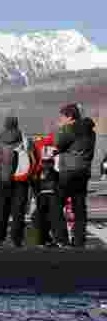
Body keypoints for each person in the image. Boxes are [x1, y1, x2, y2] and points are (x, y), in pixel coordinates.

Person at [55, 103, 97, 248]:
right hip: (83, 171)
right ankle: (79, 240)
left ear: (70, 117)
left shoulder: (69, 129)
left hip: (68, 172)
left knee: (56, 204)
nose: (61, 119)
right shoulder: (91, 131)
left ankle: (62, 239)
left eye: (62, 117)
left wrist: (61, 129)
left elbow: (58, 144)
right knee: (79, 207)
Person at [0, 116, 30, 248]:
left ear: (5, 125)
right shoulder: (24, 139)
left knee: (0, 210)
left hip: (3, 179)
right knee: (18, 211)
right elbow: (33, 155)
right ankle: (16, 239)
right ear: (16, 125)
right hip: (21, 179)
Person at [33, 149, 68, 247]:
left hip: (54, 198)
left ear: (52, 163)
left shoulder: (57, 175)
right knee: (38, 218)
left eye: (48, 162)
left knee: (56, 218)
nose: (46, 164)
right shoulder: (37, 175)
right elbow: (35, 188)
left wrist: (60, 200)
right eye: (44, 162)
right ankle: (44, 239)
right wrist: (36, 197)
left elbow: (61, 189)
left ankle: (61, 240)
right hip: (42, 199)